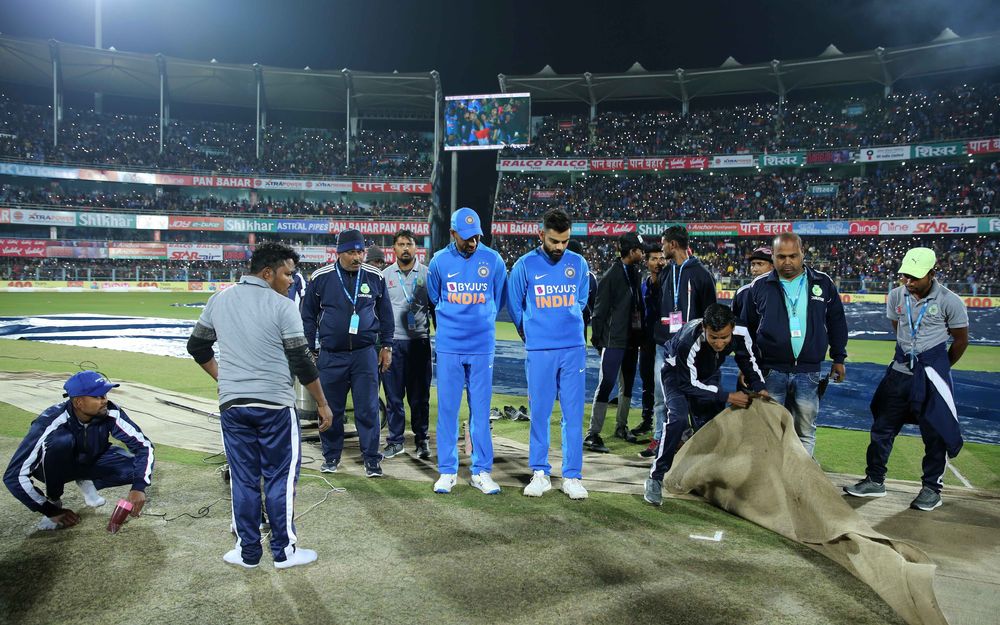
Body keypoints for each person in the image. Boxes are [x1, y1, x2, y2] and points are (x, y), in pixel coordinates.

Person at [186, 241, 333, 569]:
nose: (292, 281)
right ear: (267, 273)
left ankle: (247, 552)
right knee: (280, 478)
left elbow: (197, 346)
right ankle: (284, 552)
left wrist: (223, 379)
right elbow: (302, 361)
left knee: (243, 478)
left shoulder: (219, 299)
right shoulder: (283, 307)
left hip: (233, 406)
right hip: (275, 406)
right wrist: (322, 403)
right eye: (287, 274)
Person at [844, 248, 969, 511]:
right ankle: (875, 480)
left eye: (915, 277)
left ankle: (931, 490)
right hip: (899, 374)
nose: (908, 282)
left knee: (935, 433)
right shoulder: (896, 295)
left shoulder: (950, 300)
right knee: (882, 428)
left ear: (932, 274)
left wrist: (937, 368)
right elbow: (898, 328)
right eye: (905, 276)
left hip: (931, 376)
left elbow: (960, 340)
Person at [643, 304, 767, 506]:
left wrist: (759, 385)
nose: (719, 343)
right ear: (704, 329)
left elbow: (748, 360)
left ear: (733, 328)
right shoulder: (687, 341)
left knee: (710, 427)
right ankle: (655, 478)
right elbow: (688, 384)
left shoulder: (741, 332)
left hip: (707, 374)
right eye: (714, 337)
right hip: (676, 375)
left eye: (724, 338)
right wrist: (726, 396)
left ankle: (704, 477)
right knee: (677, 418)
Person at [739, 232, 848, 456]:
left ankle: (800, 479)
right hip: (771, 370)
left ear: (802, 254)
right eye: (781, 257)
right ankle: (773, 478)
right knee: (769, 428)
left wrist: (839, 358)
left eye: (793, 256)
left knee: (805, 430)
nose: (787, 262)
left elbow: (837, 321)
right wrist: (747, 368)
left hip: (809, 371)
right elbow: (744, 331)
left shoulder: (823, 283)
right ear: (774, 257)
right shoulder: (758, 286)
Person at [507, 209, 590, 500]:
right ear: (541, 234)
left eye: (565, 241)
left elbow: (581, 300)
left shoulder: (579, 264)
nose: (559, 248)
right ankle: (540, 473)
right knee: (539, 413)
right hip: (540, 350)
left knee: (572, 414)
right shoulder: (524, 265)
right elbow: (515, 306)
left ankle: (572, 476)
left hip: (573, 350)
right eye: (554, 241)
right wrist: (531, 333)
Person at [3, 370, 154, 531]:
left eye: (104, 395)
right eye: (97, 396)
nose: (104, 400)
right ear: (78, 402)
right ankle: (54, 498)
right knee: (61, 441)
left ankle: (85, 479)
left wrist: (138, 487)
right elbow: (14, 476)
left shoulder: (110, 411)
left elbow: (143, 447)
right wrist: (50, 510)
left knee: (136, 469)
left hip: (89, 460)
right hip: (53, 467)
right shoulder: (49, 422)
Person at [426, 207, 507, 494]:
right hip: (449, 346)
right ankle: (447, 471)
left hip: (482, 346)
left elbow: (498, 298)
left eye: (476, 237)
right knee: (447, 410)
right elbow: (435, 298)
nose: (472, 242)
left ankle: (481, 471)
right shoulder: (439, 262)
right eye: (466, 237)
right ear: (453, 233)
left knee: (481, 412)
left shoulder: (493, 260)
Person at [301, 229, 394, 478]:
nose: (357, 257)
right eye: (351, 252)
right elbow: (307, 316)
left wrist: (387, 346)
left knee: (368, 407)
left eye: (360, 251)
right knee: (332, 408)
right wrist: (310, 349)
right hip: (331, 355)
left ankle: (372, 459)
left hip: (365, 354)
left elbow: (386, 314)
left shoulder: (375, 276)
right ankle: (331, 457)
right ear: (339, 252)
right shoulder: (321, 277)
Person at [643, 226, 717, 459]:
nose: (661, 247)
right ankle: (659, 438)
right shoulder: (665, 272)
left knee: (693, 396)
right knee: (660, 395)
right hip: (664, 345)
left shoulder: (702, 274)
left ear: (673, 245)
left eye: (663, 243)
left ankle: (694, 445)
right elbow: (654, 306)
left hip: (691, 348)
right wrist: (653, 279)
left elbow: (710, 312)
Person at [585, 232, 645, 452]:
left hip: (631, 339)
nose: (643, 253)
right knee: (607, 384)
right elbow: (599, 312)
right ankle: (592, 433)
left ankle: (621, 426)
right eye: (640, 250)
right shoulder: (612, 276)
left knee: (627, 384)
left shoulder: (635, 273)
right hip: (613, 340)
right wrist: (599, 340)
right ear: (631, 252)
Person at [381, 229, 433, 460]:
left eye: (409, 244)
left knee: (419, 397)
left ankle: (422, 440)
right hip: (393, 345)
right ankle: (395, 441)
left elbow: (435, 308)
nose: (405, 248)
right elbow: (379, 311)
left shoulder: (427, 274)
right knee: (393, 397)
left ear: (416, 248)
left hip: (419, 343)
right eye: (400, 244)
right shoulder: (384, 276)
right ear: (393, 249)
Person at [635, 244, 666, 449]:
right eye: (653, 258)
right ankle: (647, 420)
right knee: (647, 380)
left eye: (661, 258)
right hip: (646, 339)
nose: (658, 262)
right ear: (647, 262)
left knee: (661, 386)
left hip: (663, 339)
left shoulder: (669, 282)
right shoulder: (643, 282)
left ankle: (662, 429)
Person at [567, 239, 597, 344]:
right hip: (581, 321)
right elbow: (594, 304)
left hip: (562, 323)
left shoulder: (556, 274)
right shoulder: (590, 277)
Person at [731, 246, 773, 319]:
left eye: (760, 264)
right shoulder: (742, 292)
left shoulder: (784, 289)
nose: (755, 269)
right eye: (753, 264)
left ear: (773, 266)